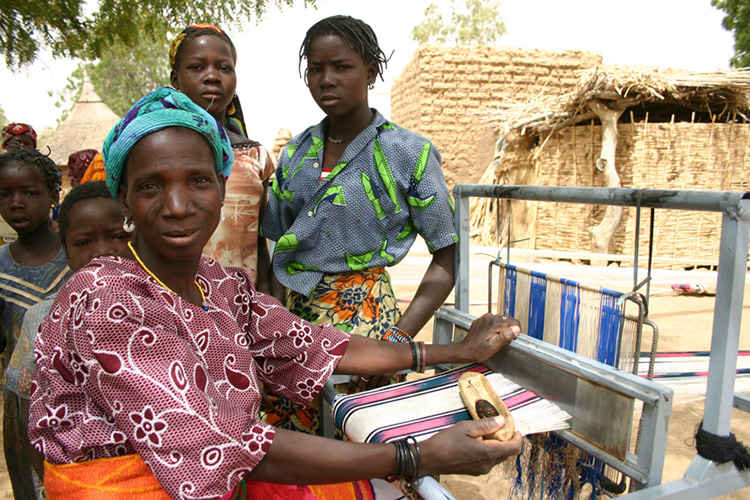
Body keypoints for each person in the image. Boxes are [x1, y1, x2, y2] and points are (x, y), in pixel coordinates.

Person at [28, 87, 522, 500]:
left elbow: (316, 344)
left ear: (222, 186)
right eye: (152, 186)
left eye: (198, 181)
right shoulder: (104, 297)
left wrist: (457, 351)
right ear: (125, 200)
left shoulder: (217, 284)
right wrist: (417, 456)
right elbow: (215, 444)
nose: (178, 206)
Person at [259, 15, 458, 434]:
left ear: (370, 71)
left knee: (364, 450)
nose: (326, 79)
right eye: (316, 68)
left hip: (371, 328)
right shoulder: (296, 153)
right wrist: (275, 330)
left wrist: (398, 342)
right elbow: (274, 245)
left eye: (342, 67)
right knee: (302, 460)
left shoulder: (408, 153)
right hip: (296, 329)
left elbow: (446, 254)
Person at [4, 181, 131, 499]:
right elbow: (26, 416)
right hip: (77, 483)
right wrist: (46, 486)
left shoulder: (166, 310)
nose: (103, 251)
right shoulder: (41, 319)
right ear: (68, 254)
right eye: (84, 241)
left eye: (118, 236)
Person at [169, 24, 275, 291]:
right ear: (175, 79)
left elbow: (260, 246)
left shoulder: (255, 155)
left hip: (242, 309)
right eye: (197, 67)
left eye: (224, 68)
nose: (212, 76)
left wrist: (265, 300)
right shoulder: (155, 152)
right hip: (175, 304)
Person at [0, 148, 72, 499]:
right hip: (21, 406)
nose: (17, 203)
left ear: (53, 196)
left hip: (77, 400)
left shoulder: (80, 253)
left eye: (30, 193)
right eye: (4, 194)